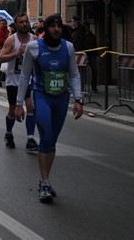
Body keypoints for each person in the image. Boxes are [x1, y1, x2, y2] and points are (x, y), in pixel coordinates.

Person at [15, 14, 83, 203]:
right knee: (45, 135)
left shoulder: (68, 47)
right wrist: (19, 104)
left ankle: (45, 179)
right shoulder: (34, 47)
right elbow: (24, 76)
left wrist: (78, 99)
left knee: (52, 140)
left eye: (58, 26)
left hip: (61, 98)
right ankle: (45, 182)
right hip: (41, 95)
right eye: (52, 26)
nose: (56, 29)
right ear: (46, 29)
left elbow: (74, 75)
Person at [0, 13, 38, 151]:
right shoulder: (11, 40)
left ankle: (30, 139)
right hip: (13, 81)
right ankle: (8, 133)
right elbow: (1, 58)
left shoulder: (35, 40)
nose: (25, 24)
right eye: (21, 22)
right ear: (16, 25)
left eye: (26, 21)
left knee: (31, 108)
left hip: (29, 81)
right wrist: (17, 53)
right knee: (13, 110)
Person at [0, 19, 10, 87]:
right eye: (2, 23)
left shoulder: (8, 31)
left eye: (4, 23)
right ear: (0, 24)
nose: (3, 24)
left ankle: (3, 79)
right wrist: (8, 41)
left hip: (8, 50)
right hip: (0, 50)